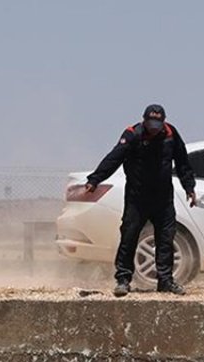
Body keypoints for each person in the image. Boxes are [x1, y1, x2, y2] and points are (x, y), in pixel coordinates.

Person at [84, 103, 197, 297]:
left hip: (163, 197)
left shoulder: (171, 134)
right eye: (151, 122)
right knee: (129, 235)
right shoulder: (132, 134)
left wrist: (189, 187)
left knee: (166, 238)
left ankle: (166, 281)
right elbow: (114, 158)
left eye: (158, 122)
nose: (154, 126)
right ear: (144, 120)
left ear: (163, 122)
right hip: (137, 197)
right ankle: (123, 279)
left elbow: (182, 162)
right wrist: (95, 179)